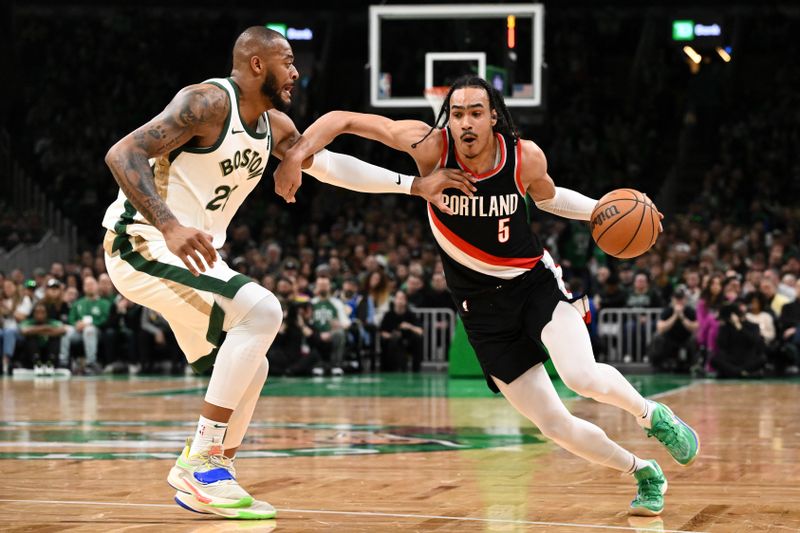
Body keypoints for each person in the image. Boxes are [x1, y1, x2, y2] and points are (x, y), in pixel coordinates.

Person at [275, 74, 700, 515]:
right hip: (480, 311)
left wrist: (601, 210)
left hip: (533, 285)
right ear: (449, 120)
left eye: (476, 112)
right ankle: (642, 471)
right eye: (457, 114)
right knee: (552, 424)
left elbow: (551, 199)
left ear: (493, 116)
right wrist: (299, 154)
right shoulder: (429, 147)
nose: (466, 122)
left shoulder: (524, 158)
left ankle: (653, 417)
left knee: (581, 375)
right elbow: (343, 120)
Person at [101, 26, 473, 519]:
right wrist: (168, 225)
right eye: (288, 61)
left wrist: (414, 186)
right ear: (258, 64)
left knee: (254, 364)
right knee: (262, 311)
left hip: (194, 255)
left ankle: (212, 474)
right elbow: (122, 152)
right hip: (142, 244)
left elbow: (330, 165)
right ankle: (203, 461)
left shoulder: (274, 127)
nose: (297, 71)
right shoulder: (207, 102)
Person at [649, 286, 698, 372]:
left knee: (694, 339)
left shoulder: (690, 311)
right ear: (672, 299)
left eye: (681, 298)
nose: (679, 301)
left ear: (685, 299)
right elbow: (660, 328)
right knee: (657, 337)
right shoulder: (667, 311)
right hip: (669, 339)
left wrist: (682, 316)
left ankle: (694, 365)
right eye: (677, 298)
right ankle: (658, 365)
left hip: (686, 339)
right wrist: (675, 315)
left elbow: (695, 327)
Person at [380, 290, 424, 372]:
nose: (400, 301)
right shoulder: (388, 315)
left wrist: (409, 326)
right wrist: (391, 336)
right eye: (398, 298)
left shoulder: (410, 314)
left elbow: (420, 331)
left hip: (409, 342)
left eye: (402, 298)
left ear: (406, 301)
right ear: (394, 300)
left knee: (417, 339)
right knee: (394, 340)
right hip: (393, 342)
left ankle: (416, 369)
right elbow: (382, 333)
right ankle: (394, 369)